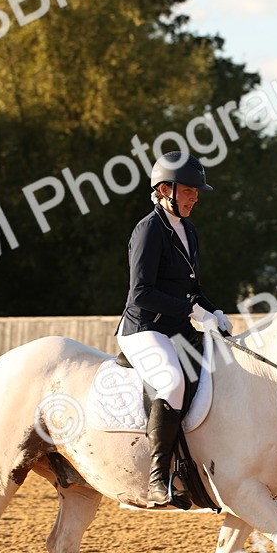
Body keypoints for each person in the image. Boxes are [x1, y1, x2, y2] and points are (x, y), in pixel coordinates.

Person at [116, 152, 232, 506]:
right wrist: (192, 310)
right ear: (165, 189)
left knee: (226, 368)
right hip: (145, 328)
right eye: (189, 191)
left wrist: (214, 310)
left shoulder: (189, 230)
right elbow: (142, 293)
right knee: (172, 382)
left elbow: (194, 286)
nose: (195, 197)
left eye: (196, 192)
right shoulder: (148, 229)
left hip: (179, 328)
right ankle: (156, 477)